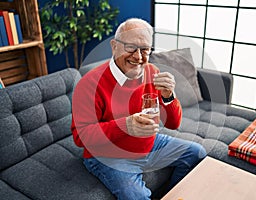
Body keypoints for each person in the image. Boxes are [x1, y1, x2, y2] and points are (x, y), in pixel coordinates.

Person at [71, 18, 206, 200]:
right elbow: (81, 137)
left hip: (150, 143)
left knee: (197, 154)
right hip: (108, 155)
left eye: (145, 49)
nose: (139, 56)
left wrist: (168, 96)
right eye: (130, 47)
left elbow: (174, 124)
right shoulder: (89, 84)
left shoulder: (152, 72)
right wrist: (125, 125)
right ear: (114, 46)